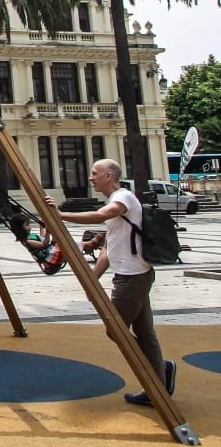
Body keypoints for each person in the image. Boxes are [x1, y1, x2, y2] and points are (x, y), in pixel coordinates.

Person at [47, 158, 175, 406]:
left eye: (95, 173)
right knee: (144, 332)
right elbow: (108, 247)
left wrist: (60, 214)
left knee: (115, 330)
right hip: (133, 274)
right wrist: (92, 279)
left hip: (132, 278)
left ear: (109, 176)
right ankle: (157, 381)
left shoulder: (123, 197)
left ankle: (156, 371)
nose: (91, 177)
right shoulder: (116, 199)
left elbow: (101, 215)